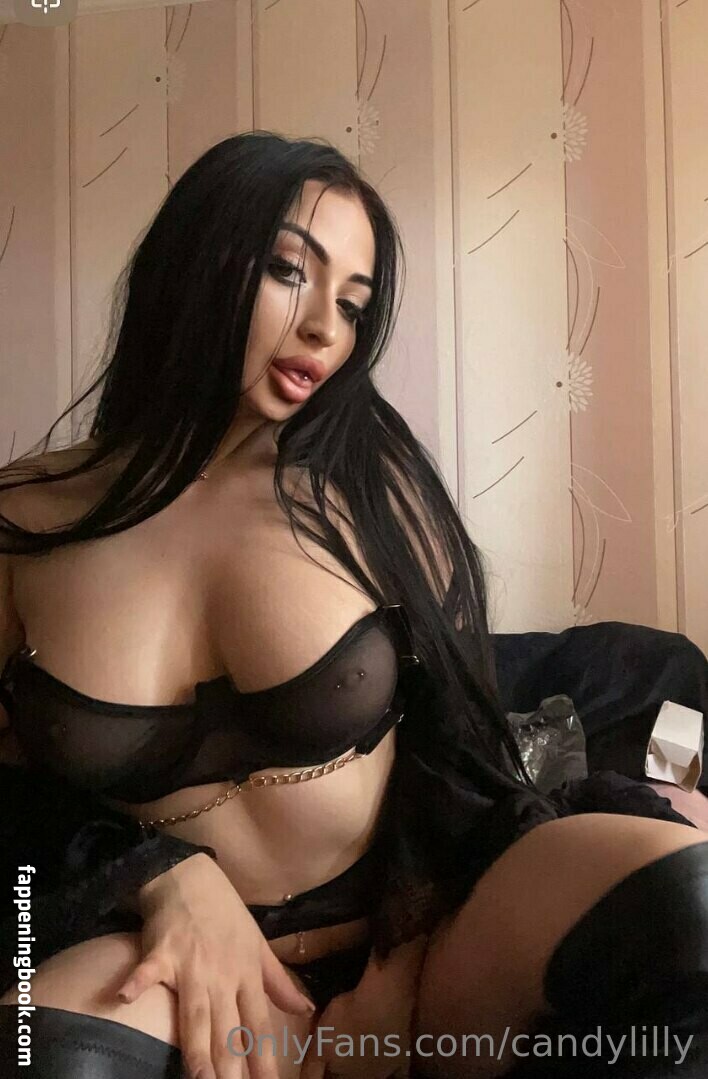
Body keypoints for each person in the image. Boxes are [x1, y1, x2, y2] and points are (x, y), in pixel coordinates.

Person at [0, 131, 706, 1079]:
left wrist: (397, 974)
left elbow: (458, 746)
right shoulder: (26, 522)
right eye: (291, 271)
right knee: (40, 1053)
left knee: (691, 908)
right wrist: (161, 878)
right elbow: (10, 807)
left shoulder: (370, 487)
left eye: (352, 304)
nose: (326, 330)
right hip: (194, 960)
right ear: (198, 257)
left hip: (427, 935)